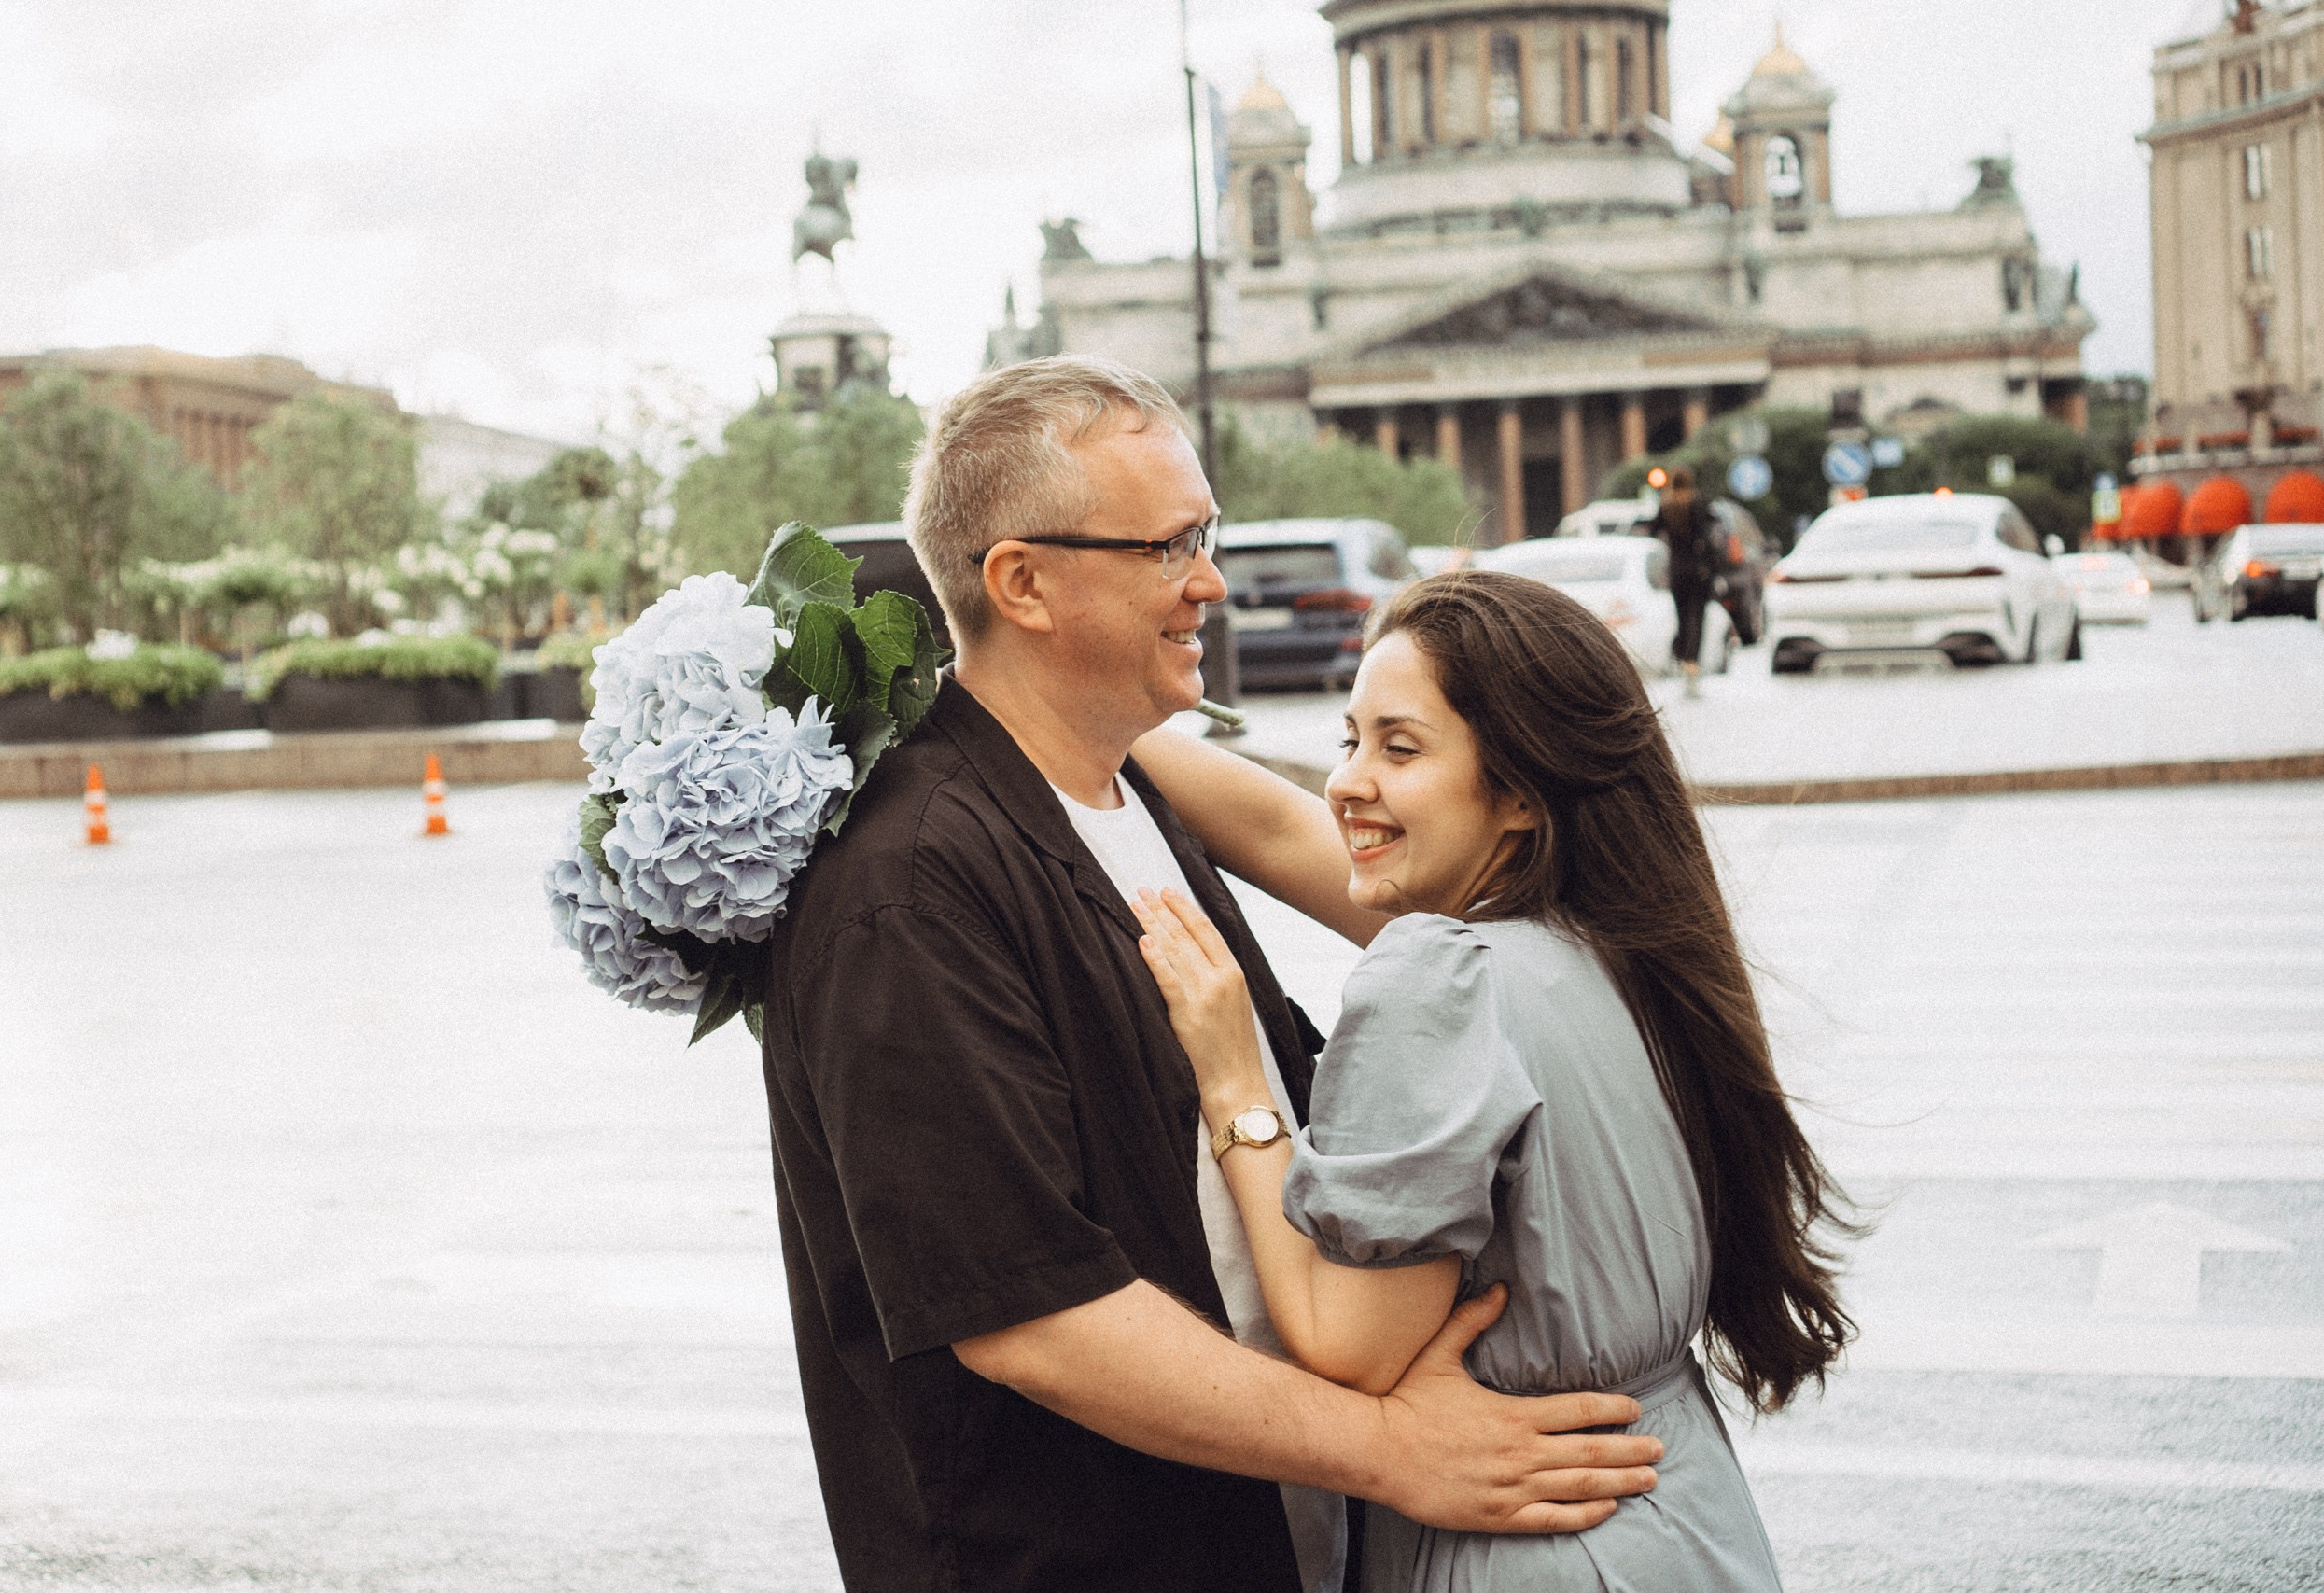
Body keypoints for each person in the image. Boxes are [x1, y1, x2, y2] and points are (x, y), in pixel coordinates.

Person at [759, 356, 1665, 1593]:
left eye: (1209, 531)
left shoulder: (1122, 783)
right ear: (1022, 580)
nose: (1213, 579)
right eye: (1171, 543)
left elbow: (1330, 854)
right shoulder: (912, 884)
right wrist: (1394, 1449)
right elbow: (1034, 1316)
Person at [1126, 570, 1860, 1591]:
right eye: (1348, 741)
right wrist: (1086, 718)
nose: (1345, 781)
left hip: (1528, 1545)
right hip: (1686, 1530)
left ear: (1517, 794)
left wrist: (1235, 1082)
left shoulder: (1439, 979)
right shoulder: (1626, 944)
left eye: (1398, 747)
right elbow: (1285, 831)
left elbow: (1348, 1345)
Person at [1653, 468, 1719, 697]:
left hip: (1676, 570)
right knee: (1697, 618)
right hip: (1697, 571)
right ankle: (1692, 663)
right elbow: (1707, 536)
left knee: (1681, 617)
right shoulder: (1697, 503)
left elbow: (1654, 530)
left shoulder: (1666, 505)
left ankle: (1682, 660)